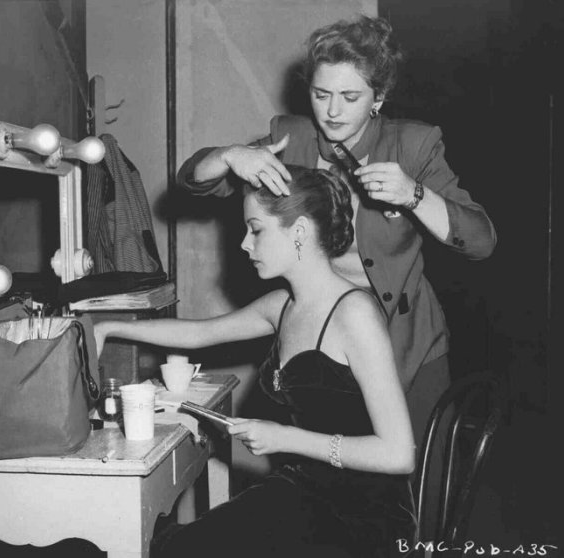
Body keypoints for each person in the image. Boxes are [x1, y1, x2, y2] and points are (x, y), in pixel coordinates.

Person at [175, 15, 497, 467]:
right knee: (322, 474)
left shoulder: (414, 146)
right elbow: (192, 179)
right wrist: (231, 156)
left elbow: (481, 241)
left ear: (378, 98)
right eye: (321, 94)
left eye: (350, 97)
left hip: (407, 344)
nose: (332, 112)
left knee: (415, 477)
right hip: (325, 349)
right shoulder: (292, 139)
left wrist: (414, 195)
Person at [95, 165, 417, 557]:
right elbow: (199, 334)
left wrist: (285, 438)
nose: (245, 244)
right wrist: (110, 328)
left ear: (299, 231)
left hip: (363, 516)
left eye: (256, 230)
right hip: (306, 490)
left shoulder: (355, 314)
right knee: (175, 545)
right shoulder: (282, 306)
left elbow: (399, 454)